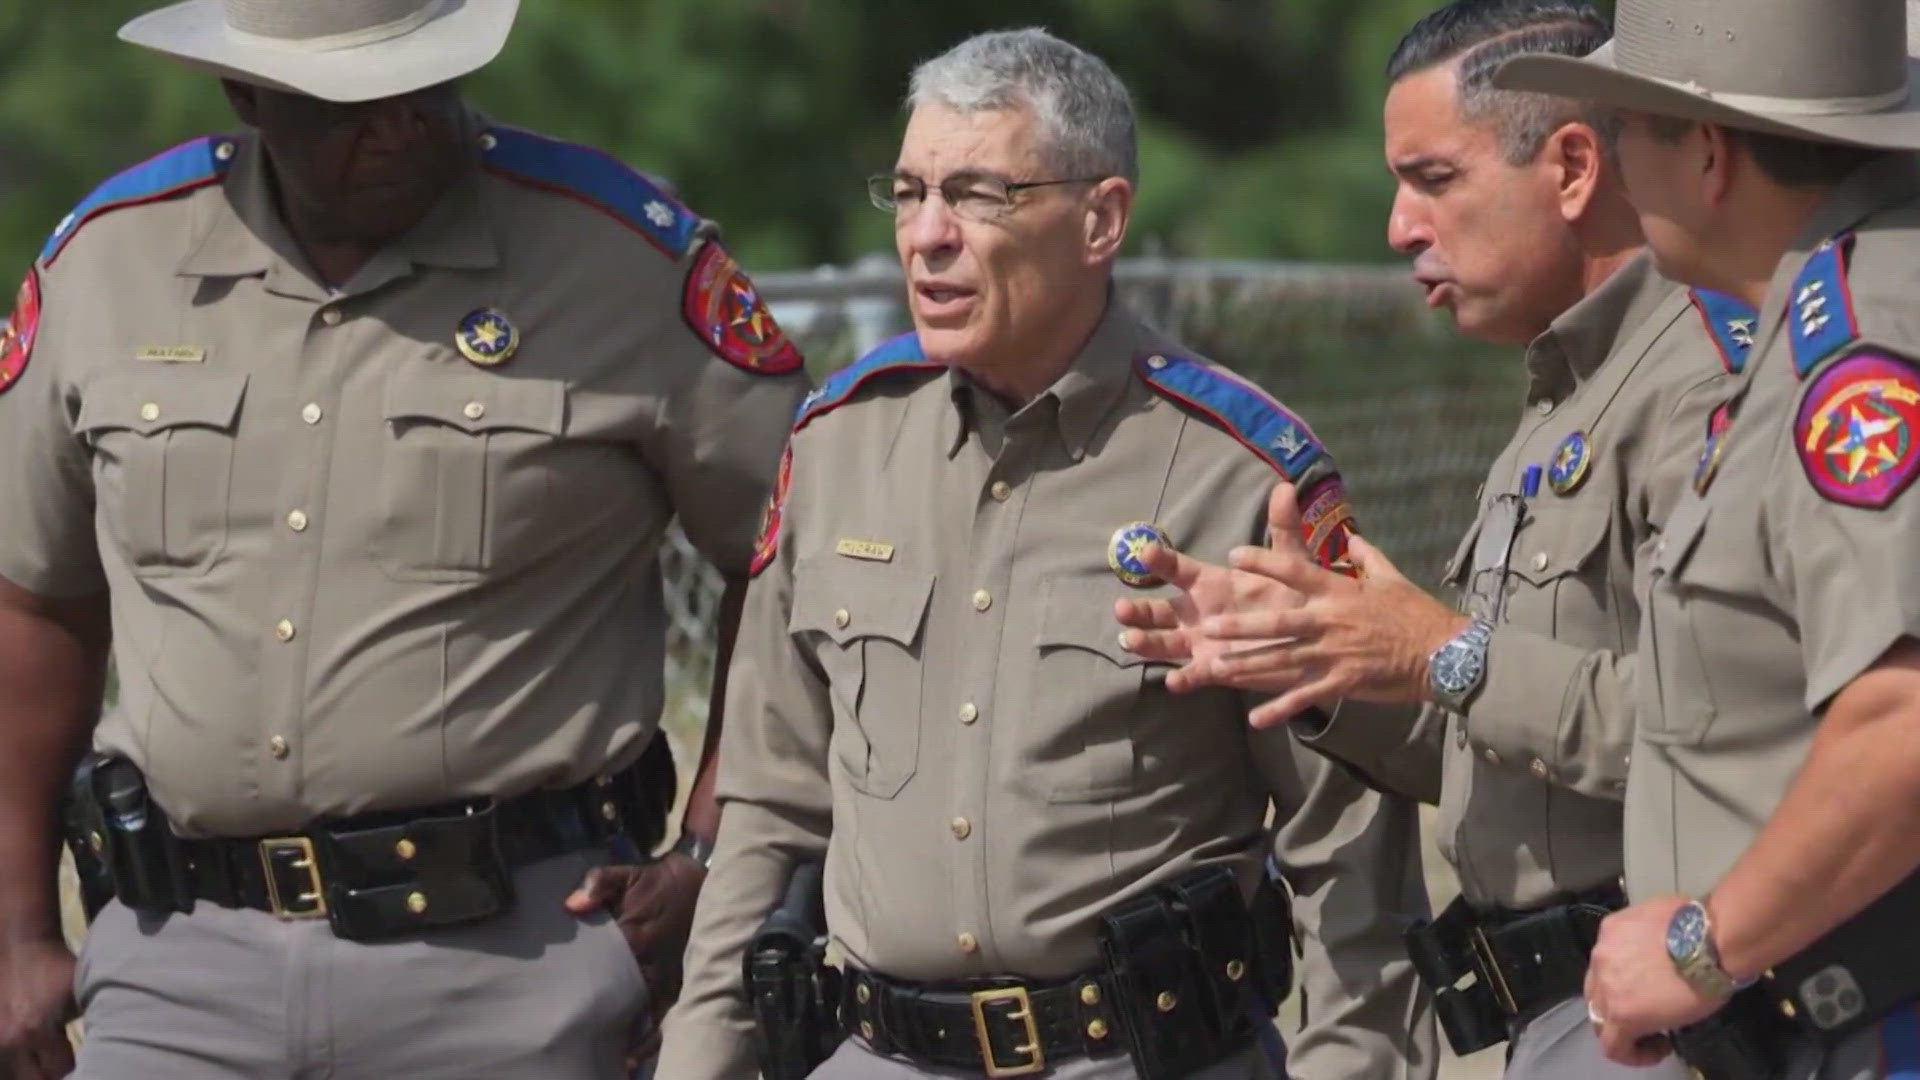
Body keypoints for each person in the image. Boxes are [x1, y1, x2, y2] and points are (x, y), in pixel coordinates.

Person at [0, 1, 811, 1078]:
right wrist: (14, 927)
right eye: (344, 106)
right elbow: (36, 602)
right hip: (177, 965)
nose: (394, 128)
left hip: (521, 960)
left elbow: (806, 564)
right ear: (245, 96)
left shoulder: (620, 261)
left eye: (421, 88)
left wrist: (713, 857)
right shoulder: (112, 264)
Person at [656, 28, 1436, 1080]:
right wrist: (700, 1060)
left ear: (1101, 218)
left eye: (979, 195)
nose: (928, 235)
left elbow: (1345, 855)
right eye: (907, 191)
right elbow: (771, 807)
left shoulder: (1244, 476)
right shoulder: (838, 444)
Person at [1110, 2, 1746, 1076]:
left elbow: (1726, 733)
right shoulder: (1563, 396)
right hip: (1565, 1016)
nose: (1401, 225)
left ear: (1576, 166)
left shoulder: (1699, 381)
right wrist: (1317, 662)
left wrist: (1437, 651)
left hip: (1680, 1012)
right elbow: (1502, 744)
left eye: (1434, 179)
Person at [1486, 0, 1920, 1075]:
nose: (1621, 168)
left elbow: (1904, 727)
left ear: (1711, 155)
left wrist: (1703, 947)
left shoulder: (1858, 348)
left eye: (1633, 128)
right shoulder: (1819, 315)